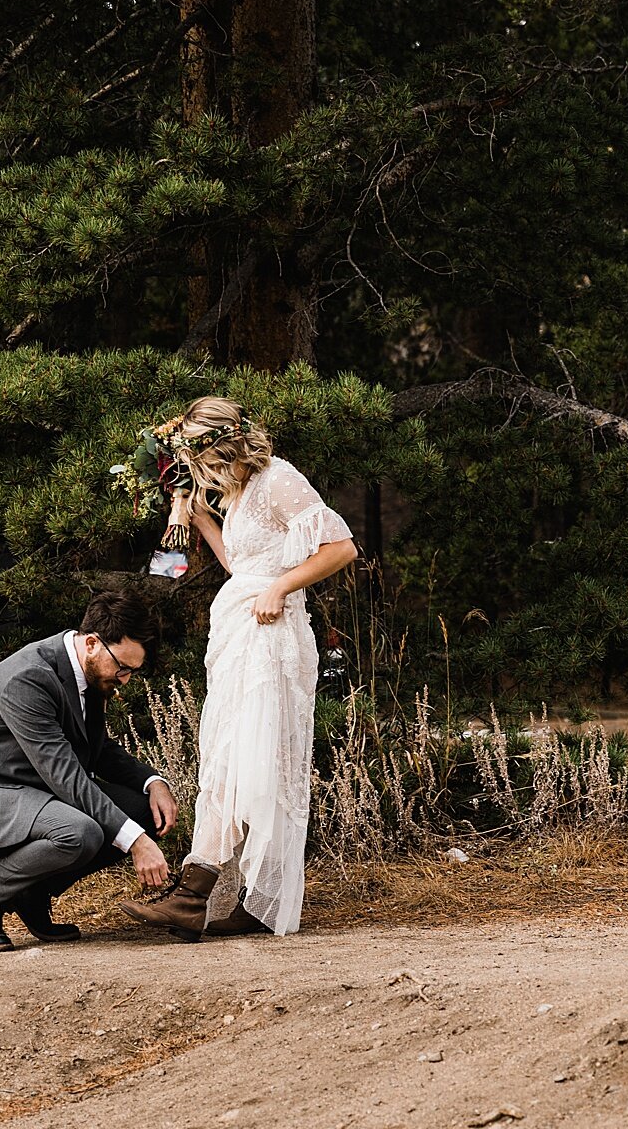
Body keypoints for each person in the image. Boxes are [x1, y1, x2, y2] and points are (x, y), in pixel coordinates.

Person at [120, 397, 356, 939]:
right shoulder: (242, 490)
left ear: (221, 442)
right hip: (239, 629)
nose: (202, 472)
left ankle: (220, 896)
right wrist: (197, 514)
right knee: (230, 756)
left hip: (271, 635)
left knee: (257, 761)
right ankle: (220, 897)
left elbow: (341, 548)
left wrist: (280, 587)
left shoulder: (280, 479)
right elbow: (241, 563)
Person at [0, 591, 180, 952]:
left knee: (142, 811)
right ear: (92, 643)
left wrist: (153, 782)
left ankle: (30, 890)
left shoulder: (89, 674)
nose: (125, 679)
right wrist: (136, 842)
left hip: (37, 790)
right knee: (80, 833)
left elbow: (99, 750)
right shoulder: (27, 678)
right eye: (122, 667)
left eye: (132, 672)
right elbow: (65, 775)